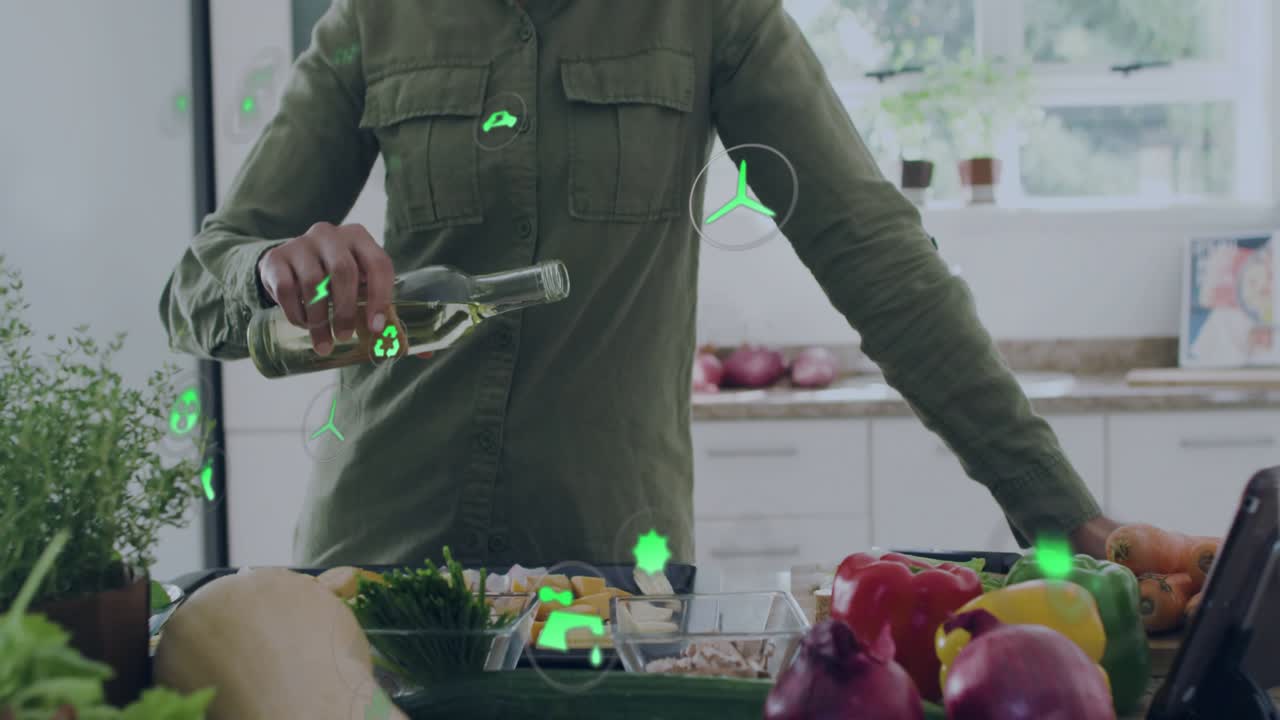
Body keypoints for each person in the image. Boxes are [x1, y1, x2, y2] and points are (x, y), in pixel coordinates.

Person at [160, 0, 1123, 568]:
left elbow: (874, 254)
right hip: (372, 565)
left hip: (618, 575)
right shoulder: (375, 15)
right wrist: (268, 272)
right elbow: (195, 285)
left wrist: (1061, 512)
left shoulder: (712, 15)